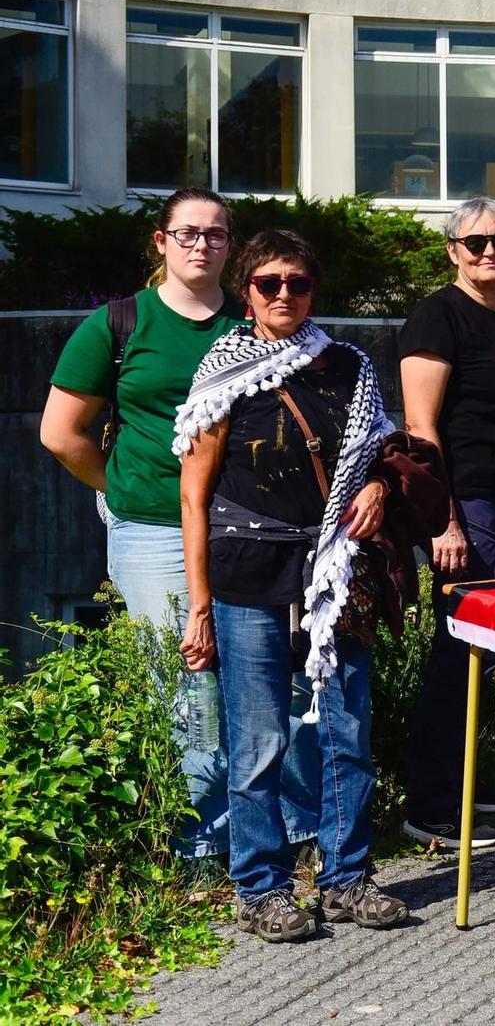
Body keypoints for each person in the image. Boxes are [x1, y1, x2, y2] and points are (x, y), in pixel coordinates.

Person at [174, 229, 408, 942]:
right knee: (259, 737)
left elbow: (378, 451)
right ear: (245, 291)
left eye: (298, 282)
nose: (284, 294)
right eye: (269, 282)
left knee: (346, 727)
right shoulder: (225, 370)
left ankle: (345, 877)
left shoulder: (349, 366)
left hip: (334, 568)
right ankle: (261, 887)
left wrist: (376, 485)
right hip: (247, 569)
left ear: (314, 290)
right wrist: (200, 606)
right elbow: (194, 495)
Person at [40, 187, 254, 866]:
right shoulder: (119, 323)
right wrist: (121, 490)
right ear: (161, 241)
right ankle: (201, 854)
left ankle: (262, 844)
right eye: (188, 232)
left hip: (247, 528)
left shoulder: (253, 321)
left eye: (216, 233)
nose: (202, 244)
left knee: (261, 680)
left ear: (230, 245)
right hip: (156, 529)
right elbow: (60, 433)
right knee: (189, 687)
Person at [396, 198, 495, 847]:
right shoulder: (439, 315)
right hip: (472, 507)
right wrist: (444, 522)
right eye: (476, 242)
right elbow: (420, 426)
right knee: (457, 652)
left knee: (489, 655)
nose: (490, 251)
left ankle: (466, 780)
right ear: (453, 250)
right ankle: (431, 806)